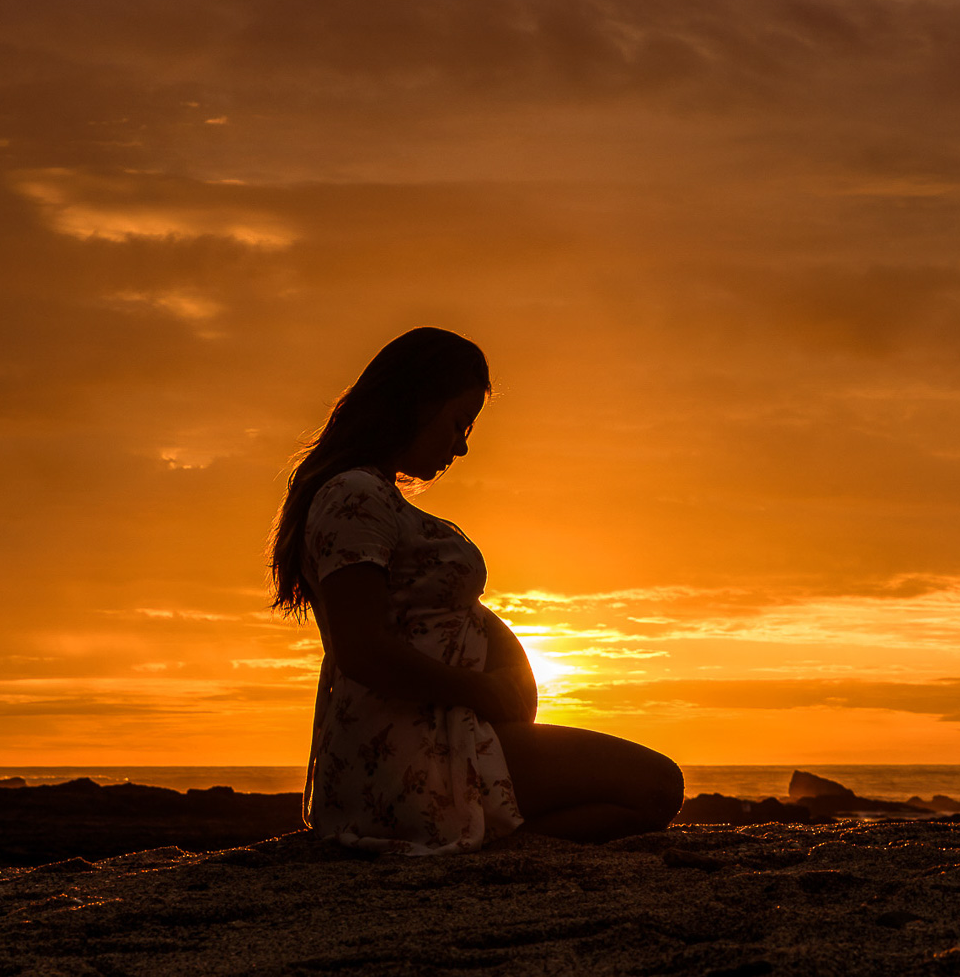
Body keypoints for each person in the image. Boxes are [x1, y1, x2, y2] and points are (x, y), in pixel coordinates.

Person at [271, 328, 684, 854]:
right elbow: (362, 648)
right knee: (656, 787)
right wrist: (482, 691)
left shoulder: (373, 495)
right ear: (416, 402)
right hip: (415, 747)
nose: (461, 446)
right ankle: (472, 844)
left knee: (649, 794)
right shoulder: (355, 493)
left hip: (447, 738)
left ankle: (480, 839)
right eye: (458, 424)